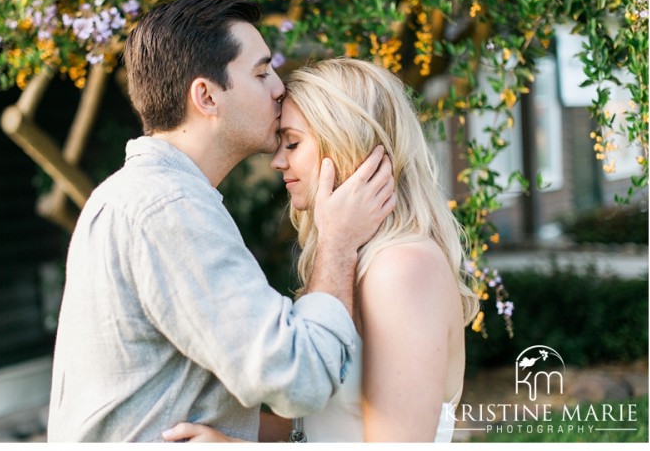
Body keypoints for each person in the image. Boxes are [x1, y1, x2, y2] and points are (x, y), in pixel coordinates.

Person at [46, 0, 396, 442]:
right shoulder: (170, 208)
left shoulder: (129, 196)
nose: (278, 87)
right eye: (261, 72)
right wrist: (338, 243)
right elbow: (296, 379)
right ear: (206, 96)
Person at [163, 57, 480, 443]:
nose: (278, 161)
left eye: (293, 143)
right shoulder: (357, 262)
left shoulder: (404, 268)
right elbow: (325, 429)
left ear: (347, 144)